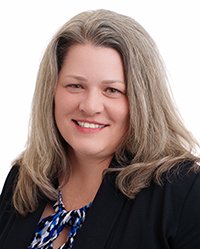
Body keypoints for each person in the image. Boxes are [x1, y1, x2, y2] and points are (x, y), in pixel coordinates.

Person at [0, 9, 200, 249]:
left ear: (142, 100)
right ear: (51, 93)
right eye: (75, 85)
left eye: (112, 90)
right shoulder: (24, 179)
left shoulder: (185, 190)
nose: (90, 106)